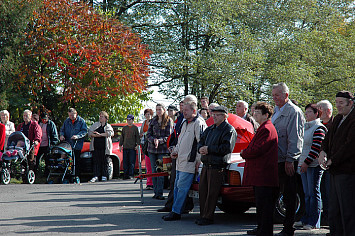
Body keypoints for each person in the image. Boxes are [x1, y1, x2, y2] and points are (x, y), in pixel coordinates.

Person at [162, 101, 207, 221]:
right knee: (177, 187)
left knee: (182, 187)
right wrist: (175, 151)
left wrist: (198, 161)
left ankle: (176, 212)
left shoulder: (198, 123)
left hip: (189, 162)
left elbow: (201, 143)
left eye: (186, 110)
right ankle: (176, 210)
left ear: (193, 111)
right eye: (183, 110)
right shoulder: (184, 123)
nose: (183, 112)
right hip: (180, 161)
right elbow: (180, 141)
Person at [318, 91, 355, 236]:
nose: (338, 106)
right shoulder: (338, 118)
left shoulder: (353, 119)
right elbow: (326, 139)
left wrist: (333, 159)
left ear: (350, 103)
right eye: (336, 102)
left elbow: (350, 145)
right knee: (334, 209)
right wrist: (323, 152)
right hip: (334, 171)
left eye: (341, 102)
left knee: (348, 210)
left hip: (347, 172)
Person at [271, 82, 305, 236]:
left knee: (289, 195)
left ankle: (288, 227)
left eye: (277, 95)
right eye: (273, 95)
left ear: (286, 95)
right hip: (276, 159)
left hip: (287, 160)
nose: (274, 98)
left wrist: (290, 159)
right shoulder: (276, 111)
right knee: (275, 194)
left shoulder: (294, 112)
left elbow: (295, 138)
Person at [241, 102, 278, 236]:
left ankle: (265, 231)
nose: (254, 114)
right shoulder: (263, 128)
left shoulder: (267, 129)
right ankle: (261, 228)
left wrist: (244, 153)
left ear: (266, 115)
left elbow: (257, 149)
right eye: (254, 112)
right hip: (261, 175)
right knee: (261, 204)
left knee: (265, 205)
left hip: (264, 175)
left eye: (257, 112)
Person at [196, 105, 237, 226]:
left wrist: (209, 149)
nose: (214, 117)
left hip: (217, 166)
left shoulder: (229, 129)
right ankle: (203, 215)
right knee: (203, 191)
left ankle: (208, 217)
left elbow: (226, 148)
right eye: (213, 114)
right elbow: (200, 141)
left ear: (224, 116)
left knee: (212, 193)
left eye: (217, 115)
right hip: (206, 164)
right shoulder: (210, 129)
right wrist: (201, 149)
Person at [158, 97, 195, 213]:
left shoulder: (197, 122)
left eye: (185, 104)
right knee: (175, 183)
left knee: (181, 185)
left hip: (187, 158)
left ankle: (178, 209)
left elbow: (199, 141)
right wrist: (173, 148)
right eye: (182, 104)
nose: (183, 107)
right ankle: (172, 206)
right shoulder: (182, 120)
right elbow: (178, 136)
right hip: (178, 155)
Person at [295, 104, 327, 230]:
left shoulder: (319, 128)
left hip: (313, 165)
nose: (306, 114)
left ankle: (313, 221)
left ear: (316, 114)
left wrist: (306, 163)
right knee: (306, 194)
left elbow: (316, 148)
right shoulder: (305, 127)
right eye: (306, 111)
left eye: (309, 112)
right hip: (303, 163)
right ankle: (306, 218)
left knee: (313, 193)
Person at [146, 104, 173, 200]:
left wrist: (159, 141)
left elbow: (169, 136)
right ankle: (155, 192)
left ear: (164, 110)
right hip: (152, 148)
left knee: (160, 170)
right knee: (153, 171)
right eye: (156, 109)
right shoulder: (153, 120)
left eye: (160, 109)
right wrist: (153, 140)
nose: (158, 111)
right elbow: (148, 134)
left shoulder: (168, 120)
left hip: (163, 149)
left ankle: (160, 193)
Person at [316, 100, 333, 225]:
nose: (318, 111)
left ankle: (329, 217)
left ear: (328, 111)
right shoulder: (317, 124)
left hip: (331, 163)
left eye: (320, 108)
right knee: (321, 190)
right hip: (317, 162)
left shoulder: (335, 124)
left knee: (329, 191)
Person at [60, 108, 88, 178]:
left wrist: (77, 136)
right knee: (67, 160)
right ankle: (67, 175)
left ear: (76, 114)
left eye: (72, 115)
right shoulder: (67, 121)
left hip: (77, 144)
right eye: (70, 115)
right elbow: (62, 130)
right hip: (68, 144)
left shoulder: (81, 121)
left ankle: (76, 175)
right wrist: (61, 135)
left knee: (76, 160)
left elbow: (84, 131)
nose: (71, 117)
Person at [88, 111, 114, 182]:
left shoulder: (108, 126)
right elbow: (90, 133)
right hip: (96, 146)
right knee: (96, 161)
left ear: (105, 118)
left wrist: (100, 134)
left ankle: (104, 176)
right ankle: (96, 176)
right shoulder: (95, 125)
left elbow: (110, 133)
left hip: (105, 147)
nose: (100, 117)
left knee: (105, 161)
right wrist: (96, 135)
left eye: (102, 116)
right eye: (100, 116)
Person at [119, 114, 140, 180]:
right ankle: (125, 174)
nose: (128, 121)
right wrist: (120, 145)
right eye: (127, 120)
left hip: (132, 147)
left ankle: (131, 174)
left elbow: (137, 137)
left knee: (131, 162)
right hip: (125, 147)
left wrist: (137, 145)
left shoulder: (135, 128)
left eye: (130, 120)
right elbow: (122, 137)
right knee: (125, 162)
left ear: (132, 120)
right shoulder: (124, 128)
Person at [140, 108, 154, 189]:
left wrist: (145, 133)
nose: (147, 116)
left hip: (152, 144)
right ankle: (149, 183)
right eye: (146, 114)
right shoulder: (144, 123)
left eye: (149, 114)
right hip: (145, 144)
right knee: (147, 165)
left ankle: (152, 183)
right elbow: (141, 132)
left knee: (152, 165)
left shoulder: (153, 122)